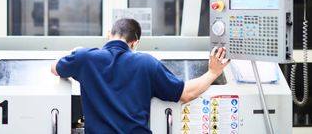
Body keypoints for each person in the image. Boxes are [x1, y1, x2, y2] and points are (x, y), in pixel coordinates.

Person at [51, 18, 229, 133]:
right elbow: (186, 93)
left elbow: (54, 68)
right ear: (135, 43)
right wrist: (213, 72)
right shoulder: (147, 63)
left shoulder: (84, 58)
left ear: (108, 35)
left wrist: (74, 51)